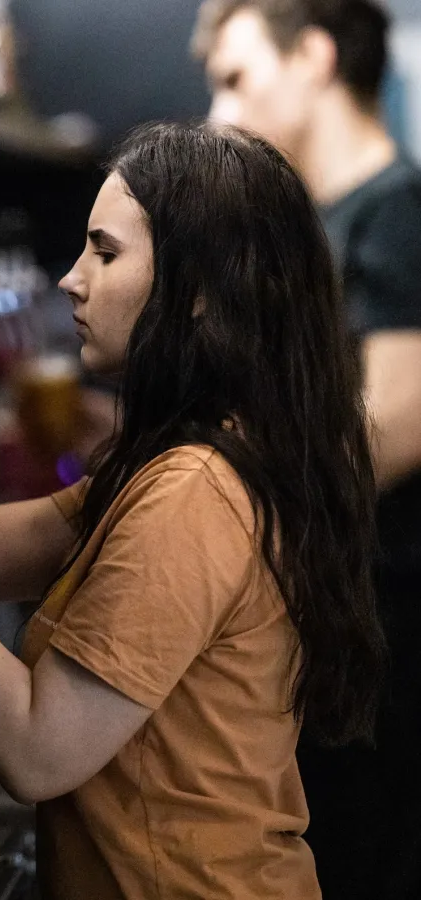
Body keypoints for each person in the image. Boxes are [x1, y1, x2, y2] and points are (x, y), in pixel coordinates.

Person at [0, 122, 385, 899]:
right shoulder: (172, 466)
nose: (71, 279)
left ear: (200, 290)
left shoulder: (195, 495)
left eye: (105, 253)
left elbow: (38, 755)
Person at [193, 3, 421, 896]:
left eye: (237, 78)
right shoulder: (319, 223)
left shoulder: (397, 214)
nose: (219, 112)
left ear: (315, 57)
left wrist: (213, 493)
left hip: (389, 631)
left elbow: (394, 428)